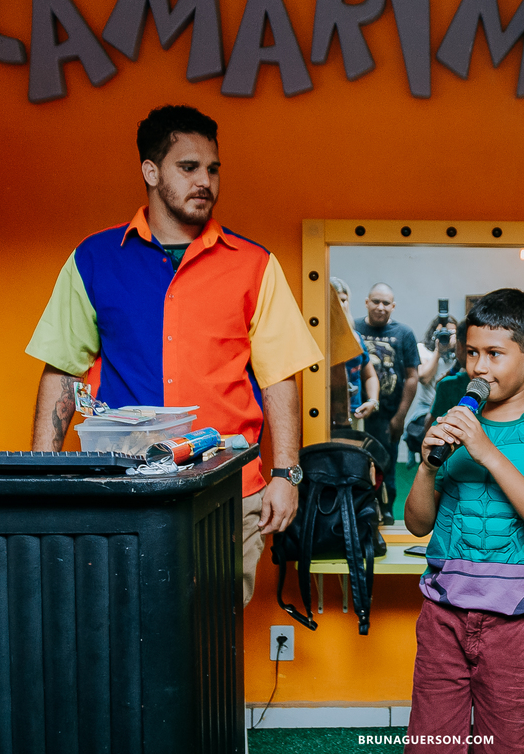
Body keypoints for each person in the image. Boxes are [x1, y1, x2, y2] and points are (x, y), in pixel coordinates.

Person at [26, 105, 322, 607]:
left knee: (213, 633)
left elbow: (280, 379)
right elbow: (62, 369)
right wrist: (41, 480)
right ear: (150, 171)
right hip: (119, 487)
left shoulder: (255, 264)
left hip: (231, 489)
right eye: (188, 167)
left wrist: (286, 475)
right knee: (118, 622)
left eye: (213, 168)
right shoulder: (94, 259)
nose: (205, 180)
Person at [404, 288, 524, 754]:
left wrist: (486, 451)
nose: (478, 368)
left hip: (517, 623)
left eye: (493, 354)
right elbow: (417, 525)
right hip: (444, 614)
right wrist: (427, 465)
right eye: (471, 354)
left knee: (502, 746)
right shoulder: (455, 416)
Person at [353, 283, 420, 521]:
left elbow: (412, 377)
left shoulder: (404, 333)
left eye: (386, 303)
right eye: (375, 301)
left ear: (393, 306)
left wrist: (400, 416)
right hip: (358, 413)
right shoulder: (354, 328)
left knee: (387, 463)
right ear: (366, 302)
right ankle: (360, 512)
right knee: (357, 463)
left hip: (389, 415)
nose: (380, 307)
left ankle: (387, 509)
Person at [403, 313, 459, 463]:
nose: (447, 336)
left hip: (453, 407)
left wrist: (458, 348)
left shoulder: (461, 354)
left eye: (451, 333)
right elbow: (424, 377)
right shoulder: (423, 348)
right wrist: (438, 351)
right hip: (427, 409)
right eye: (443, 332)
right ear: (434, 333)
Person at [330, 277, 379, 423]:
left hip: (354, 413)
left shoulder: (355, 337)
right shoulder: (318, 337)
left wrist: (373, 401)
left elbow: (370, 375)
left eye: (344, 300)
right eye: (335, 300)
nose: (340, 305)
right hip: (328, 414)